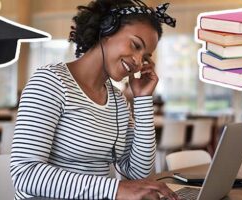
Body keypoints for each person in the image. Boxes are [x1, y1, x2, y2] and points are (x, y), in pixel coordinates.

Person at [10, 0, 178, 199]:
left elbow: (138, 174)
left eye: (146, 57)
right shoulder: (50, 82)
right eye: (135, 45)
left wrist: (142, 100)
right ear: (107, 29)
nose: (138, 61)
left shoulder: (117, 101)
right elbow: (25, 174)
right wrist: (114, 189)